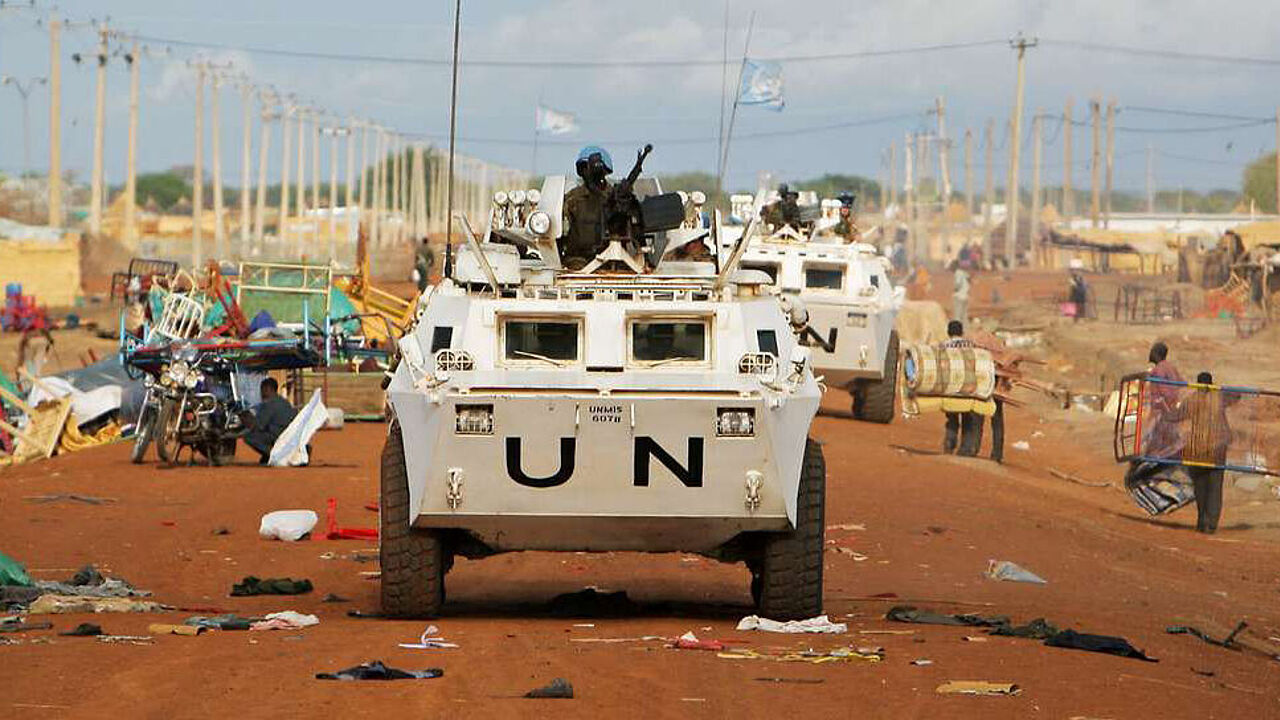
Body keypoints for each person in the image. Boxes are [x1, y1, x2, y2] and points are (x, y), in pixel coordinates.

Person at [1171, 371, 1235, 534]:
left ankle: (1202, 520)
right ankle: (1211, 523)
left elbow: (1176, 416)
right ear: (1211, 384)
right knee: (1215, 487)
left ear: (1197, 385)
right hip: (1217, 449)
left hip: (1197, 449)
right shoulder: (1219, 397)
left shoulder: (1192, 399)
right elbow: (1237, 396)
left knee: (1200, 487)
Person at [560, 145, 614, 270]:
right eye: (585, 167)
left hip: (613, 258)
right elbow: (559, 229)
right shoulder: (572, 199)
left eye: (594, 167)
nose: (589, 171)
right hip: (578, 259)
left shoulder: (616, 197)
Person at [939, 320, 983, 457]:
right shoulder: (970, 345)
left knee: (952, 419)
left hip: (950, 388)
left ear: (948, 332)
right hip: (968, 388)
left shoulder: (943, 346)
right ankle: (965, 448)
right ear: (962, 332)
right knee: (968, 419)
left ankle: (949, 444)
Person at [244, 377, 298, 465]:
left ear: (268, 389)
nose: (261, 393)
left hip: (278, 435)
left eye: (262, 390)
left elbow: (259, 426)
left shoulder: (269, 404)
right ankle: (269, 455)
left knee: (249, 437)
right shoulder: (284, 401)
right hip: (290, 435)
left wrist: (246, 417)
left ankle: (274, 455)